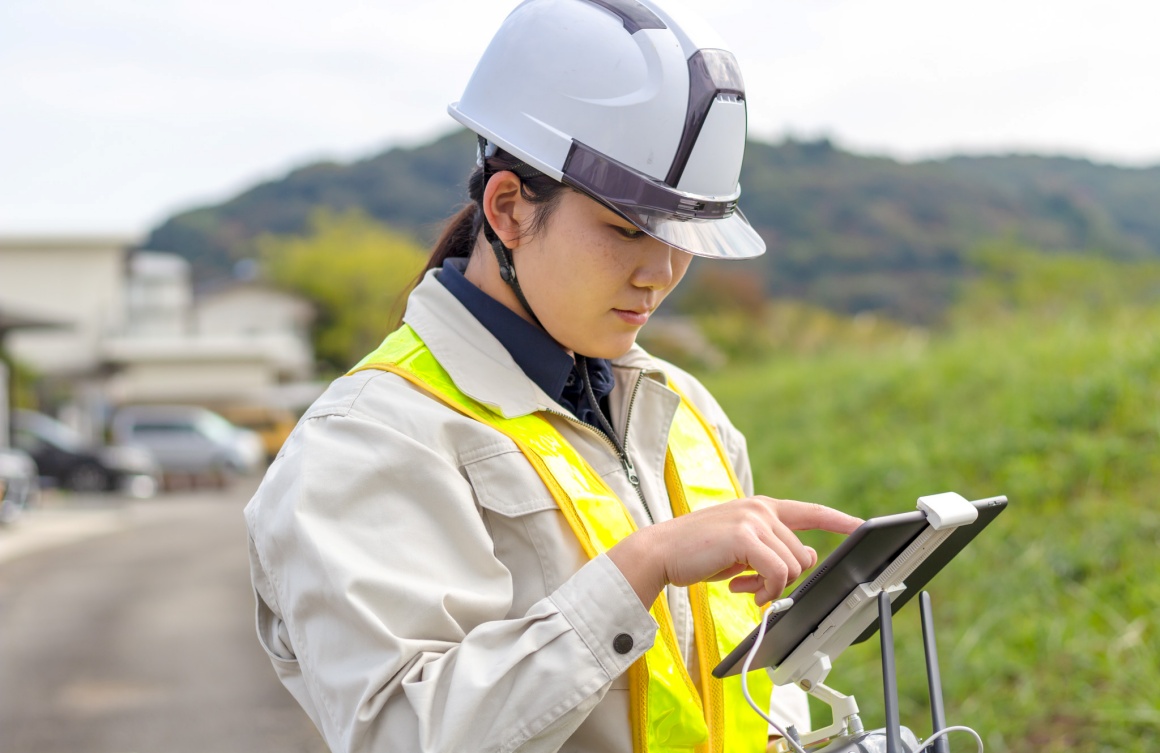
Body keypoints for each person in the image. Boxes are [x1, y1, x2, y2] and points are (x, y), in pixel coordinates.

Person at [244, 1, 862, 751]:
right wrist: (640, 566)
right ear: (507, 208)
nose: (660, 273)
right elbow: (398, 734)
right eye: (628, 229)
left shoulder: (683, 408)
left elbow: (732, 694)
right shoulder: (368, 439)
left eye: (682, 237)